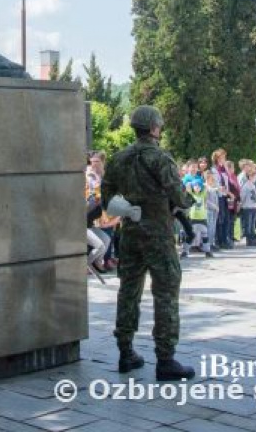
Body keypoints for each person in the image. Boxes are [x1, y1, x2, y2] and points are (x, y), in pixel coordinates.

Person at [101, 105, 195, 381]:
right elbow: (179, 197)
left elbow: (106, 198)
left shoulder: (118, 159)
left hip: (129, 234)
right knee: (165, 292)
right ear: (155, 128)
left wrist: (130, 208)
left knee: (128, 291)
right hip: (158, 236)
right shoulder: (160, 158)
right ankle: (165, 359)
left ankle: (125, 351)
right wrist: (186, 202)